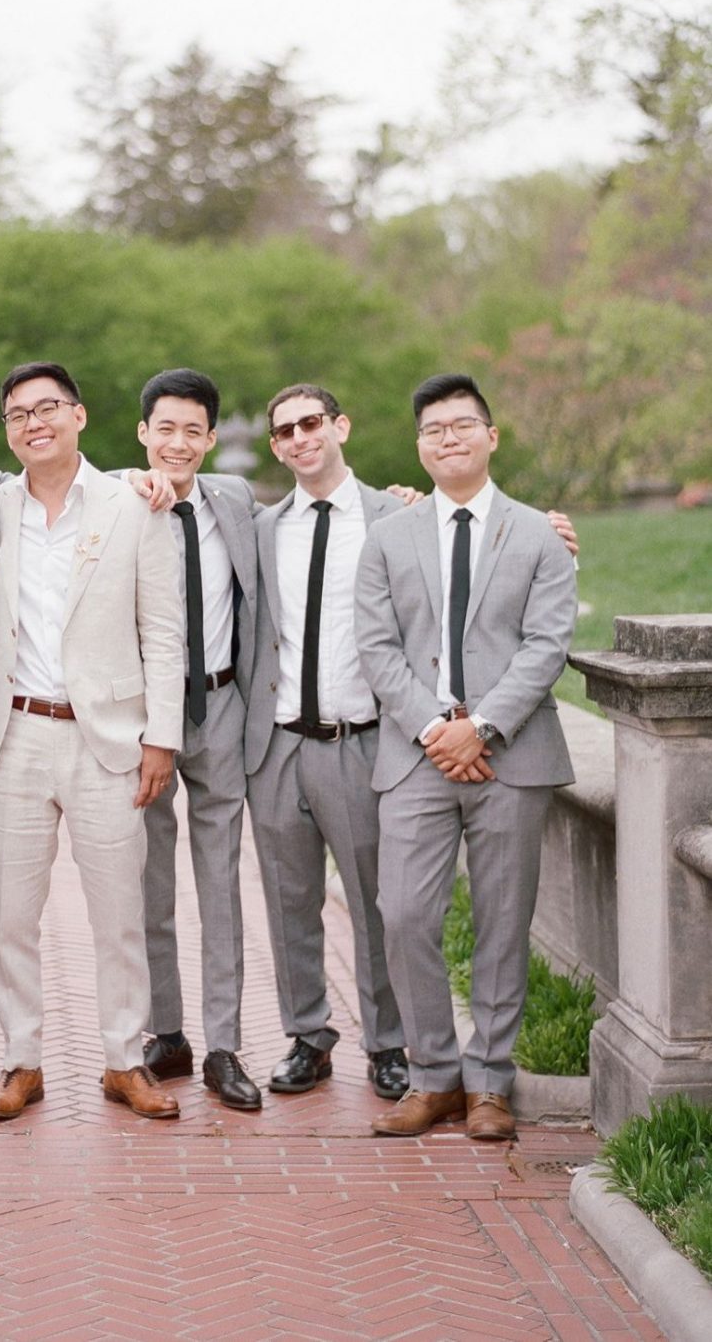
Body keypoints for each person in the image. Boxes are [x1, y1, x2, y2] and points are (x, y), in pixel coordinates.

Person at [355, 373, 578, 1142]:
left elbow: (547, 643)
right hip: (416, 755)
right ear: (419, 445)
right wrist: (435, 728)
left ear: (491, 435)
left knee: (502, 920)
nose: (447, 438)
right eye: (433, 429)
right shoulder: (388, 537)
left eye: (461, 425)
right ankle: (433, 1076)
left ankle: (490, 1081)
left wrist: (480, 727)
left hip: (511, 754)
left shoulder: (539, 533)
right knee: (404, 912)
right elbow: (377, 646)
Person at [0, 362, 185, 1121]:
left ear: (79, 415)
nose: (33, 424)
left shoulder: (134, 503)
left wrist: (162, 736)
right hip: (14, 735)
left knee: (119, 912)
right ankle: (21, 1060)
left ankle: (125, 1060)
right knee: (11, 915)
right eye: (17, 415)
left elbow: (163, 630)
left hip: (109, 739)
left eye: (47, 409)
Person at [244, 385, 412, 1103]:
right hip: (278, 744)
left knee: (377, 902)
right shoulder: (262, 527)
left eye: (311, 422)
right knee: (290, 902)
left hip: (361, 741)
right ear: (275, 447)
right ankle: (307, 1037)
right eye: (285, 431)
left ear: (340, 425)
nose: (300, 438)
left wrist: (555, 535)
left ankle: (389, 1043)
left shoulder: (395, 517)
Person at [133, 369, 263, 1111]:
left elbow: (325, 515)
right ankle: (168, 1032)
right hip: (145, 721)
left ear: (211, 439)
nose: (178, 443)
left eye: (193, 430)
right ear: (143, 434)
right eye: (166, 429)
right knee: (149, 883)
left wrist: (402, 499)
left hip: (221, 707)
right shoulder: (117, 499)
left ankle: (224, 1045)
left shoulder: (235, 500)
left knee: (221, 884)